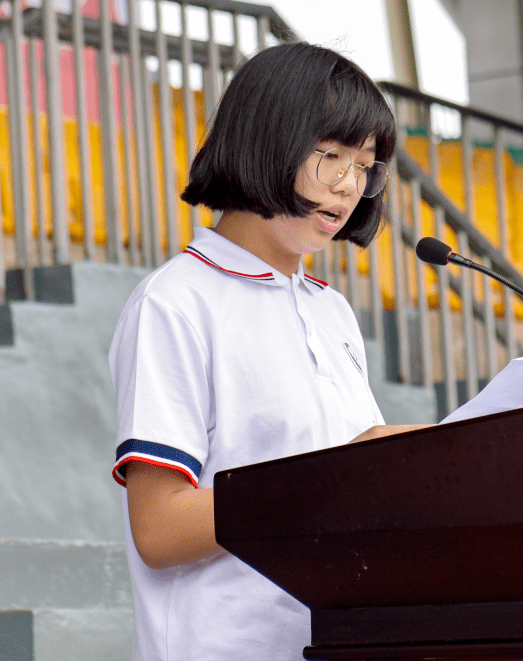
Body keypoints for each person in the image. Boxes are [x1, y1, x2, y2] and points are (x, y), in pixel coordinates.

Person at [108, 43, 424, 660]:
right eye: (329, 156)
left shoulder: (330, 311)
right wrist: (336, 475)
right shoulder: (176, 302)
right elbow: (160, 527)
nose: (347, 186)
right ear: (265, 137)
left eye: (364, 167)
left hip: (336, 643)